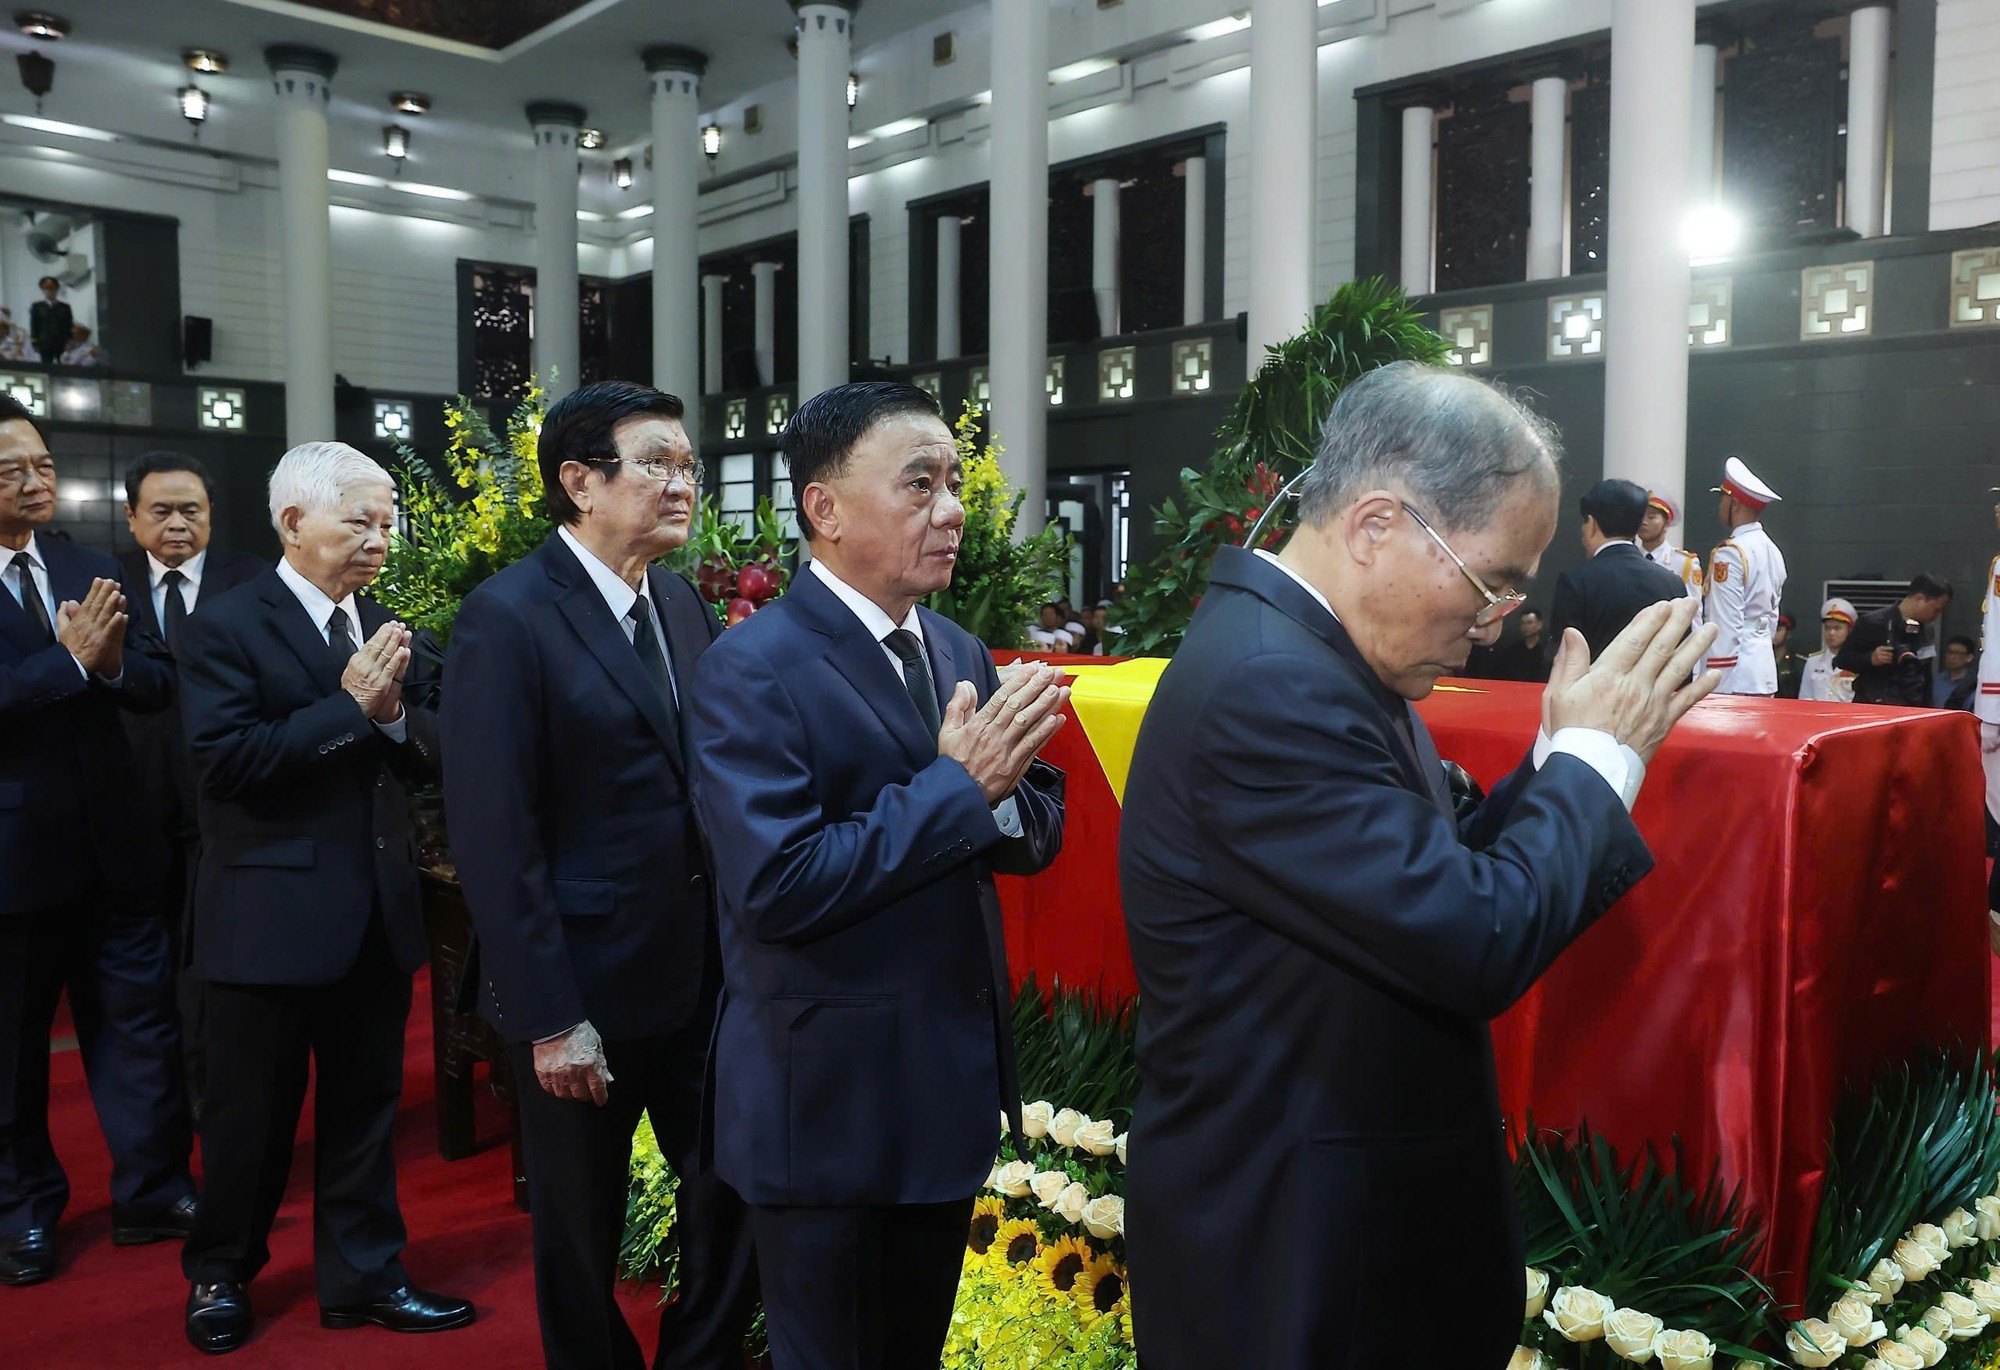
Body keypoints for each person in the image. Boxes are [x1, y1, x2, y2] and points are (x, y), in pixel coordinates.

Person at [1117, 363, 1719, 1370]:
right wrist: (1597, 761)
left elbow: (1430, 872)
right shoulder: (1271, 685)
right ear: (1375, 525)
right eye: (1491, 581)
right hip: (1297, 1264)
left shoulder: (1323, 656)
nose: (1496, 620)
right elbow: (1473, 937)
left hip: (1344, 1243)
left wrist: (1557, 757)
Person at [687, 381, 1067, 1370]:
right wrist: (959, 788)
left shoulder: (954, 645)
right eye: (920, 484)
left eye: (955, 483)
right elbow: (776, 885)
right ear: (825, 507)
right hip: (828, 1106)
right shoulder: (750, 666)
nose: (952, 509)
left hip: (940, 1088)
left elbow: (1027, 830)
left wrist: (996, 796)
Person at [442, 381, 756, 1370]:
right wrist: (547, 1017)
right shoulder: (507, 617)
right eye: (657, 462)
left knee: (731, 1197)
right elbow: (495, 835)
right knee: (580, 1234)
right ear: (579, 482)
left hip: (701, 977)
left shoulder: (680, 601)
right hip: (581, 989)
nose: (683, 484)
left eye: (688, 465)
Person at [175, 442, 471, 1353]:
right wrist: (351, 710)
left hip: (375, 912)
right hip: (265, 920)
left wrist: (392, 716)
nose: (381, 539)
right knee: (250, 1121)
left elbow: (431, 751)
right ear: (294, 522)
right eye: (361, 521)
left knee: (365, 1113)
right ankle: (221, 1273)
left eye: (388, 522)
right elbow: (227, 765)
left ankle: (364, 1276)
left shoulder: (382, 623)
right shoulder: (226, 625)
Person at [0, 395, 195, 1287]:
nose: (34, 481)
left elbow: (154, 682)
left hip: (117, 848)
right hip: (15, 863)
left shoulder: (88, 565)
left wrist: (112, 663)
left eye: (42, 465)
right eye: (12, 470)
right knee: (13, 1053)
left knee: (141, 1034)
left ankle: (152, 1190)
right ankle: (22, 1211)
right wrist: (70, 663)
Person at [116, 452, 266, 1123]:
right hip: (136, 803)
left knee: (218, 961)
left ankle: (218, 1092)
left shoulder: (252, 580)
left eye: (191, 510)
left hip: (231, 802)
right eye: (161, 511)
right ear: (131, 517)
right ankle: (164, 1096)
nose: (177, 523)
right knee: (146, 965)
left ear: (211, 515)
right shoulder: (105, 582)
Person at [1546, 478, 1688, 662]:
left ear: (1592, 524)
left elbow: (1561, 659)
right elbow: (1681, 659)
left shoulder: (1576, 582)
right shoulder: (1673, 584)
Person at [1703, 456, 1788, 695]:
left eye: (1723, 498)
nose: (1720, 505)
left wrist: (1716, 682)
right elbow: (1772, 617)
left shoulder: (1730, 552)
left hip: (1733, 676)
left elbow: (1726, 621)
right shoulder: (1772, 549)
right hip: (1762, 669)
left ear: (1735, 503)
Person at [1835, 574, 1954, 706]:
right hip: (1874, 704)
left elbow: (1926, 676)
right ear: (1919, 599)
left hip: (1912, 703)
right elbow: (1842, 660)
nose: (1937, 615)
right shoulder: (1874, 622)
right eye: (1936, 610)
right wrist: (1871, 659)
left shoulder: (1926, 630)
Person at [1638, 490, 1703, 598]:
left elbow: (1694, 605)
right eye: (1640, 516)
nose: (1644, 522)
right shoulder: (1630, 558)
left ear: (1667, 523)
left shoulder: (1683, 563)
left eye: (1651, 517)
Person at [1797, 598, 1858, 703]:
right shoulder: (1813, 662)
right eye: (1827, 628)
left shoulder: (1858, 662)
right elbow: (1805, 698)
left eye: (1837, 628)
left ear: (1849, 631)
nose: (1831, 633)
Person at [28, 277, 71, 366]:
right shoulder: (37, 306)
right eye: (46, 288)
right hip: (44, 341)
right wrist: (34, 341)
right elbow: (34, 324)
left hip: (61, 341)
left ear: (57, 289)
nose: (50, 291)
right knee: (46, 365)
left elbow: (68, 325)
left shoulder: (64, 307)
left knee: (63, 364)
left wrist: (69, 340)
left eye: (53, 288)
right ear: (43, 290)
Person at [1936, 635, 1977, 711]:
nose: (1952, 656)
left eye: (1957, 653)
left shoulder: (1974, 682)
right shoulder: (1937, 680)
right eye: (1949, 652)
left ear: (1969, 657)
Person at [1773, 614, 1802, 699]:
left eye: (1778, 630)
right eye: (1771, 629)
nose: (1773, 634)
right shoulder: (1760, 661)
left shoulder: (1797, 663)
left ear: (1788, 634)